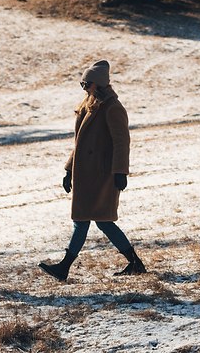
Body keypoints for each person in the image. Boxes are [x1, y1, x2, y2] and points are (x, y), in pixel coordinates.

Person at [39, 60, 146, 281]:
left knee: (86, 219)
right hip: (87, 173)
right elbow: (80, 143)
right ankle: (135, 263)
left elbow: (121, 142)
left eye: (86, 83)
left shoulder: (113, 108)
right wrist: (69, 170)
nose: (84, 87)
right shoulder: (89, 104)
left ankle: (65, 267)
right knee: (100, 220)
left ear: (97, 84)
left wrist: (120, 172)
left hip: (101, 174)